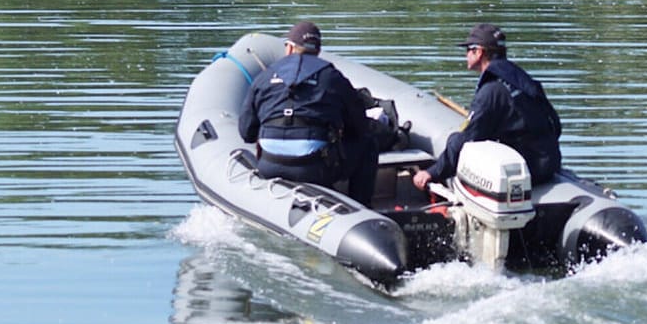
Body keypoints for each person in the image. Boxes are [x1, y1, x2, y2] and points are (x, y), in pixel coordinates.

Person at [239, 20, 379, 206]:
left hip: (269, 166)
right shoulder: (332, 77)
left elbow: (246, 132)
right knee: (368, 144)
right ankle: (359, 208)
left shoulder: (264, 77)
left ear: (288, 48)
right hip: (314, 169)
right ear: (318, 51)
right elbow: (359, 127)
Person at [412, 23, 563, 192]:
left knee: (455, 139)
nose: (466, 55)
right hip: (550, 163)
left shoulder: (490, 92)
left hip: (529, 171)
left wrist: (432, 172)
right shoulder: (522, 80)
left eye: (469, 49)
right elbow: (555, 125)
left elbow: (467, 138)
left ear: (479, 52)